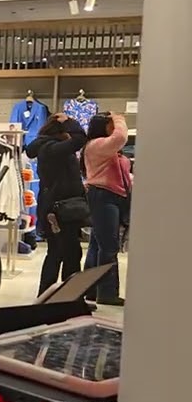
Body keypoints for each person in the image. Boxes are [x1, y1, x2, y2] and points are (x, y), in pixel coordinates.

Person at [26, 114, 89, 295]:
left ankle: (54, 297)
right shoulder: (52, 148)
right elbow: (80, 139)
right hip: (60, 210)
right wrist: (69, 121)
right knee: (65, 254)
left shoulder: (47, 147)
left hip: (57, 207)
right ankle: (63, 297)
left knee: (62, 252)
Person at [82, 113, 131, 305]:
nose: (115, 127)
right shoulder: (96, 145)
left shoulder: (105, 148)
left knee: (98, 244)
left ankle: (91, 289)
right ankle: (107, 292)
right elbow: (121, 137)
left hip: (111, 196)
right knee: (109, 246)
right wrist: (119, 118)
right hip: (103, 195)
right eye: (111, 124)